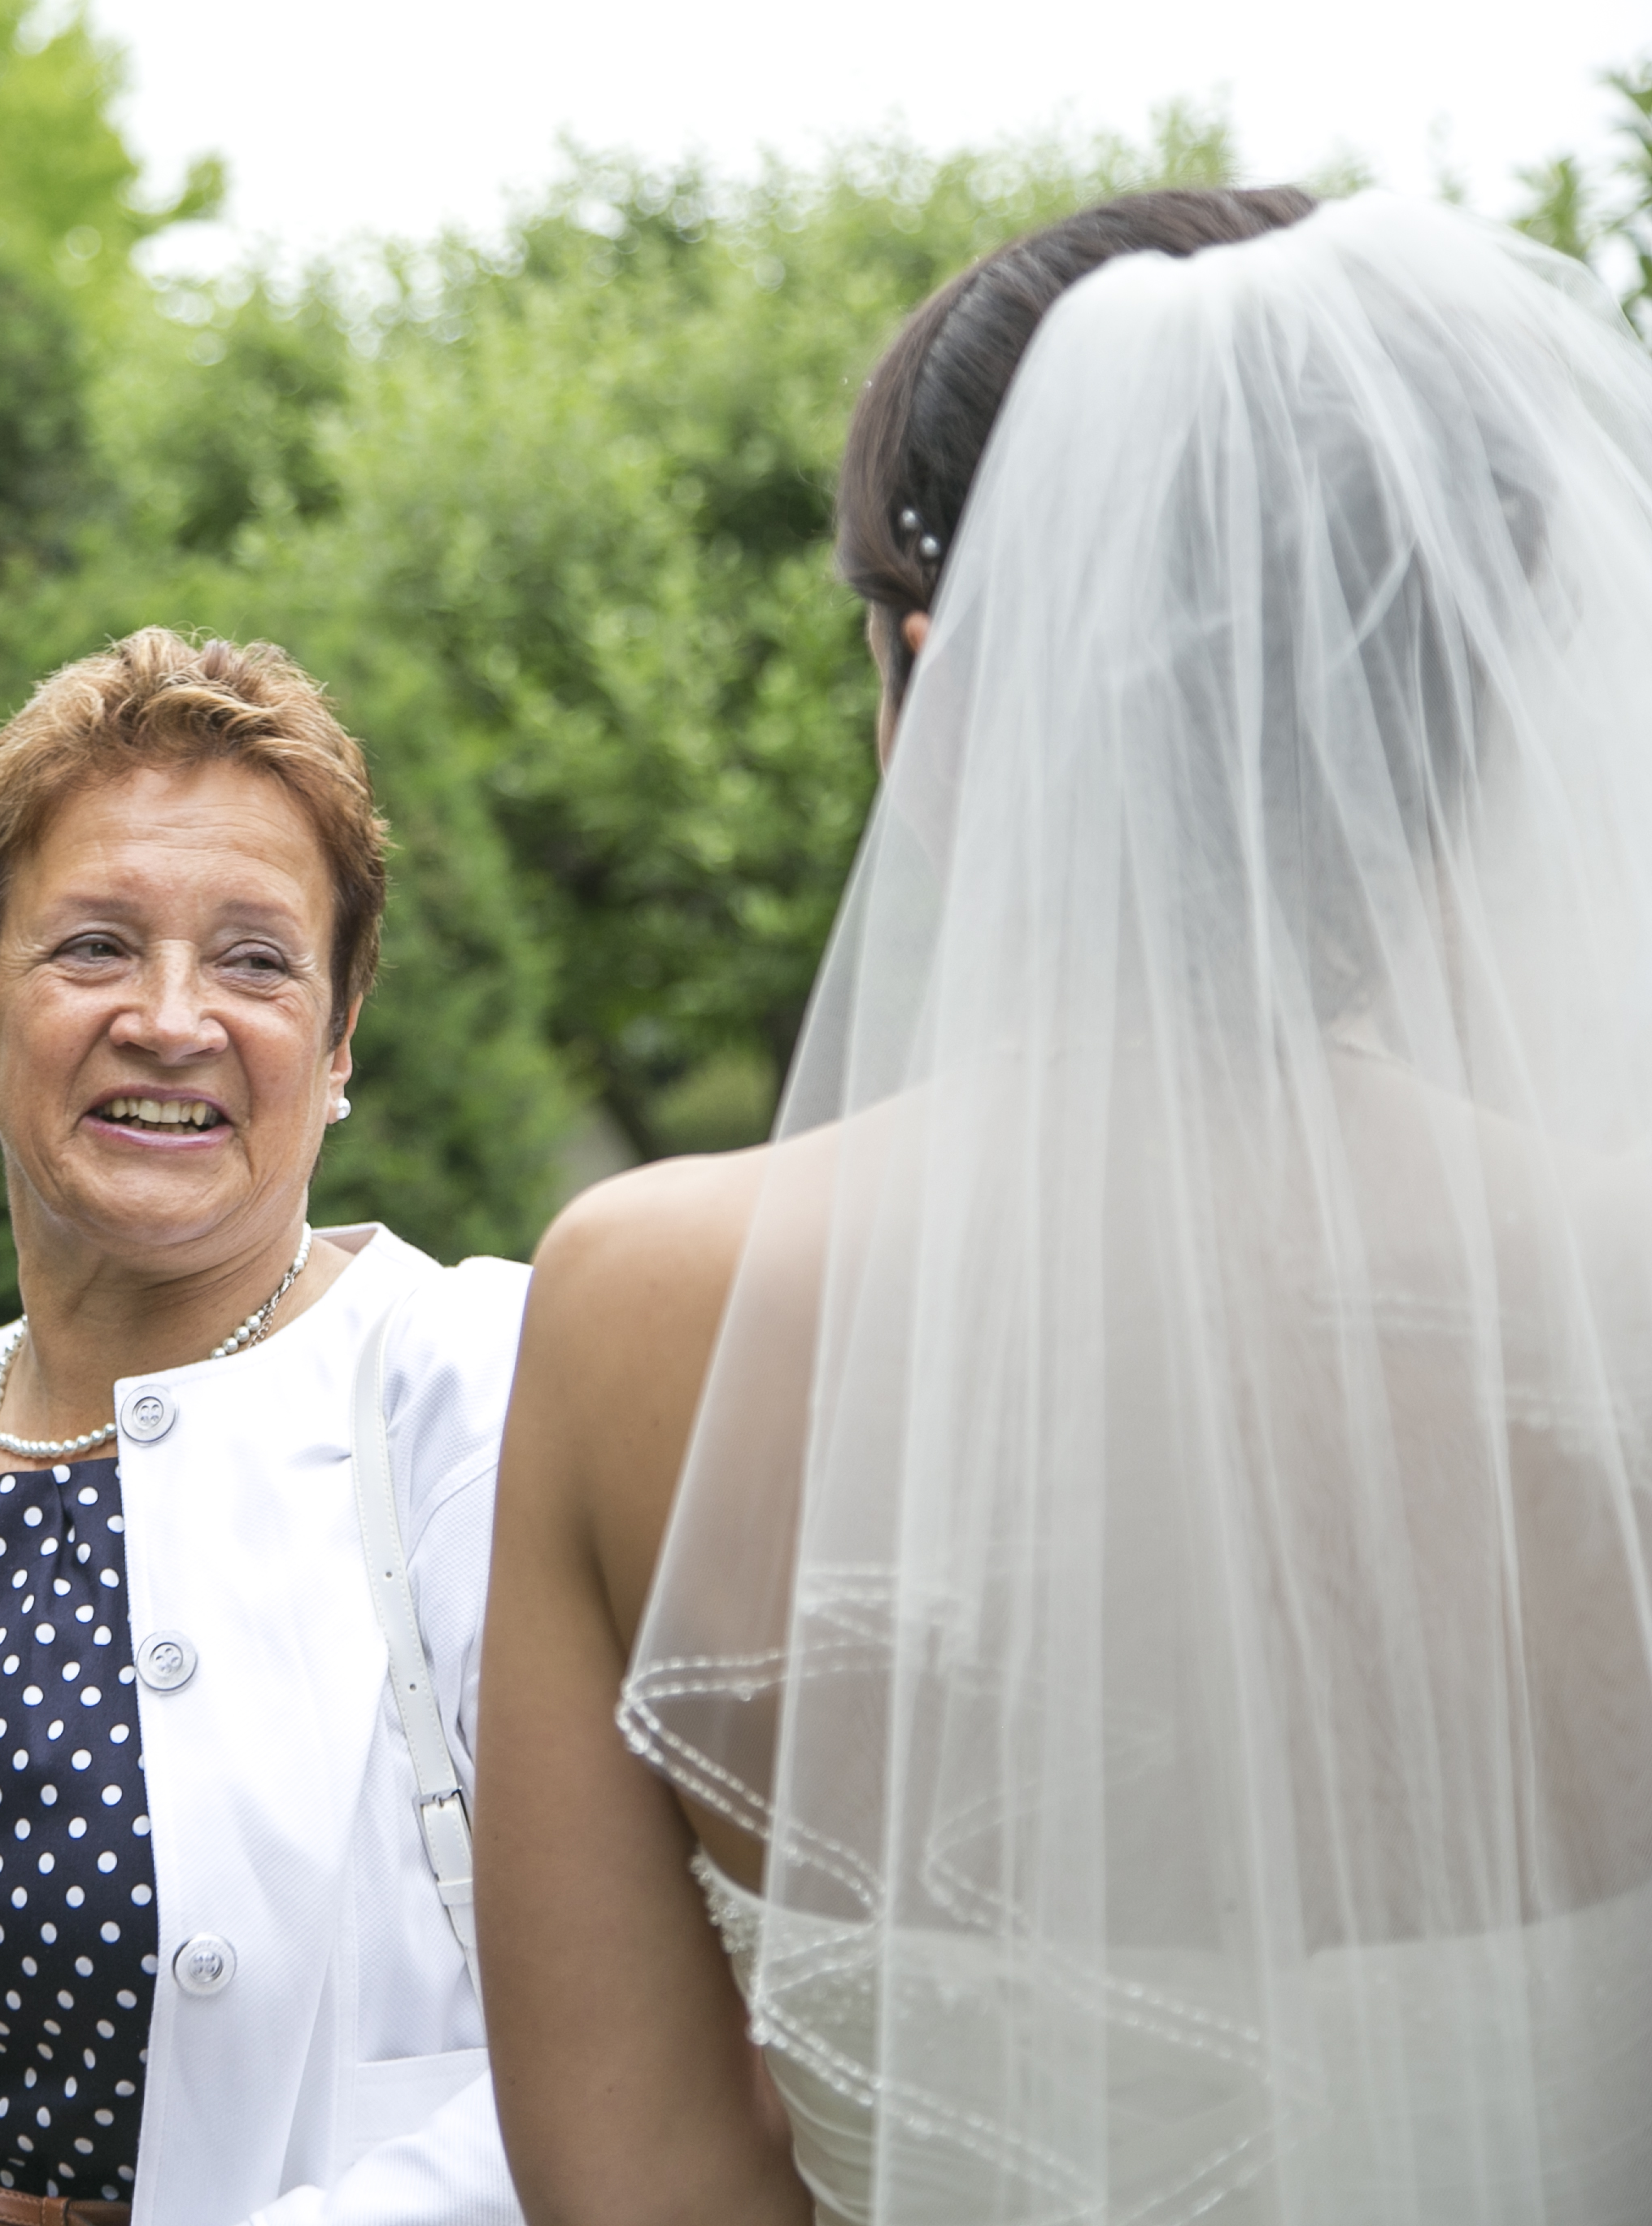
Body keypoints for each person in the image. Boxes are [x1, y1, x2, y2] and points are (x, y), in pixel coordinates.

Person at [474, 185, 1652, 2224]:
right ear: (1458, 715)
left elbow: (637, 2186)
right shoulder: (1620, 1295)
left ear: (940, 699)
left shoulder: (647, 1306)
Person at [0, 630, 530, 2226]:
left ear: (340, 1038)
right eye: (93, 947)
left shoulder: (480, 1395)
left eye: (258, 961)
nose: (173, 1018)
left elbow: (631, 2050)